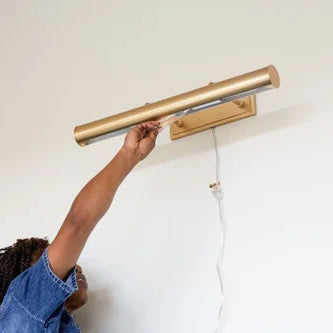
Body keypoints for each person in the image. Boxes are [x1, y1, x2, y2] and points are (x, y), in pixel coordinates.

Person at [0, 120, 162, 332]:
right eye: (57, 263)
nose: (75, 266)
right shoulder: (23, 305)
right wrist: (130, 153)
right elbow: (77, 223)